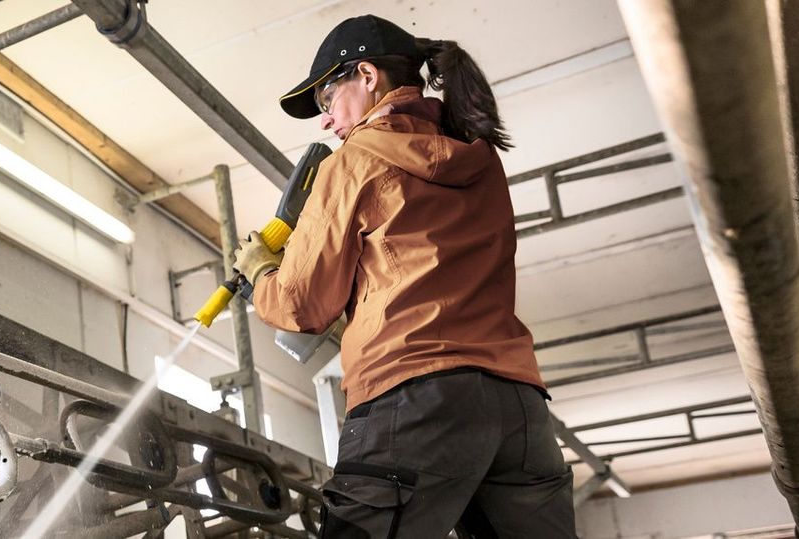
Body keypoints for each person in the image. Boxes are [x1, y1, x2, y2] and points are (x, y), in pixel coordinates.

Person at [231, 14, 575, 538]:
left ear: (366, 76)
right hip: (517, 406)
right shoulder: (480, 158)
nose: (327, 122)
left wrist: (262, 271)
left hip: (413, 395)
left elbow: (303, 305)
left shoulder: (352, 162)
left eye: (328, 100)